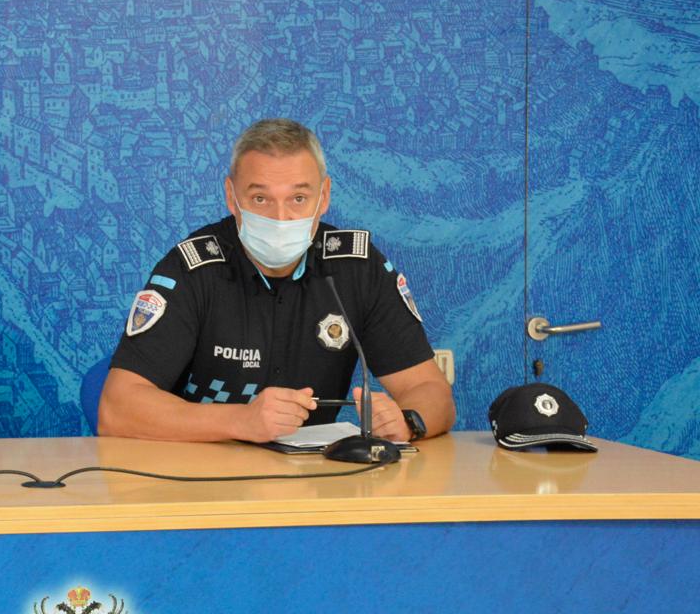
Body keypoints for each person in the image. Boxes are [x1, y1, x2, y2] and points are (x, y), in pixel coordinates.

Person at [98, 119, 454, 443]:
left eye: (298, 198)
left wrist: (408, 422)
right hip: (198, 481)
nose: (280, 217)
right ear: (231, 197)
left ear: (324, 197)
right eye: (260, 198)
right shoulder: (193, 269)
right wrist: (241, 421)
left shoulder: (358, 269)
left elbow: (428, 388)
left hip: (315, 487)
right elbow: (117, 409)